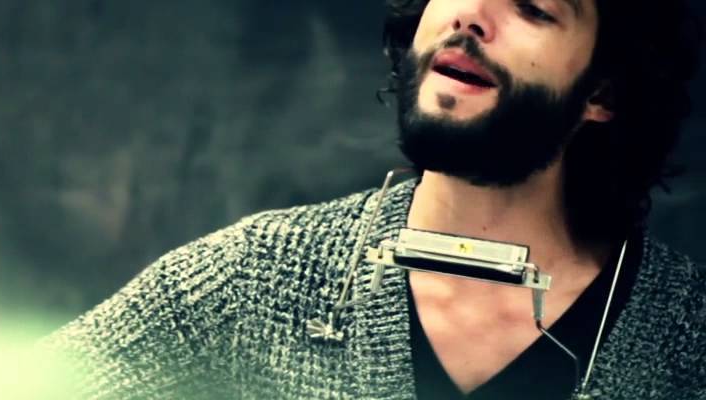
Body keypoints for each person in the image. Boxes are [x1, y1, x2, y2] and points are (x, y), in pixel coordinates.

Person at [43, 0, 704, 398]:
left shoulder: (687, 338)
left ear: (603, 93)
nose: (471, 15)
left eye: (532, 7)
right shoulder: (256, 280)